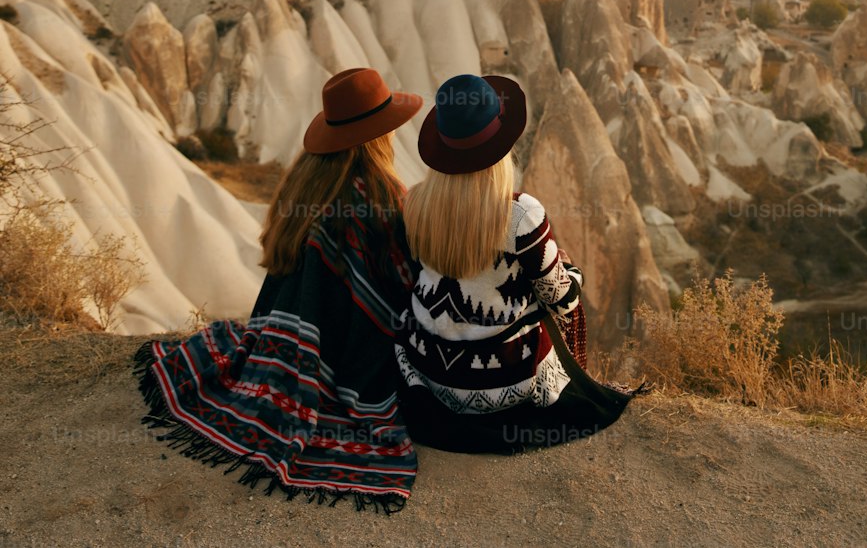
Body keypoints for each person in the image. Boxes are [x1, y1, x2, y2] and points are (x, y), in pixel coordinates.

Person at [134, 67, 423, 512]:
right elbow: (402, 294)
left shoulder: (306, 183)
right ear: (378, 136)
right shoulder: (379, 201)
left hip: (293, 341)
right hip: (353, 365)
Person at [395, 72, 642, 454]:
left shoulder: (416, 203)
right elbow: (561, 298)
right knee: (557, 294)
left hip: (429, 377)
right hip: (501, 387)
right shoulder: (519, 216)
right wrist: (572, 271)